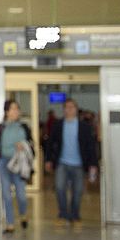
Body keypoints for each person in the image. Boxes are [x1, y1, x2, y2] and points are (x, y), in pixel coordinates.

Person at [45, 98, 99, 228]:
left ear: (76, 109)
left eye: (72, 107)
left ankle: (75, 216)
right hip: (62, 163)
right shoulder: (58, 125)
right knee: (59, 188)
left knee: (78, 191)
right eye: (67, 107)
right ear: (63, 110)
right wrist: (48, 160)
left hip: (79, 164)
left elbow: (91, 146)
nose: (69, 109)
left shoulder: (84, 127)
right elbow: (50, 143)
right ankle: (63, 214)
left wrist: (93, 164)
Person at [0, 100, 33, 233]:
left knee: (21, 195)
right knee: (6, 194)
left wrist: (24, 145)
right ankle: (10, 223)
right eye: (12, 109)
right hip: (3, 163)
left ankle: (23, 214)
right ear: (6, 111)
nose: (16, 111)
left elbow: (32, 144)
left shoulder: (24, 127)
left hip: (19, 164)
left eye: (17, 109)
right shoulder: (0, 127)